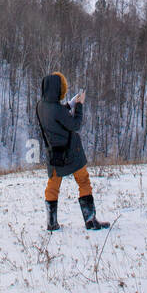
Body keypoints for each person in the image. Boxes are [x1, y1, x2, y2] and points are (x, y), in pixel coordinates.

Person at [35, 71, 109, 231]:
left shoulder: (41, 106)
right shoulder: (58, 110)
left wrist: (70, 104)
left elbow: (57, 115)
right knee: (83, 181)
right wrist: (80, 105)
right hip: (71, 153)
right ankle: (90, 220)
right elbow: (75, 124)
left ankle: (51, 222)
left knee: (52, 186)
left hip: (54, 155)